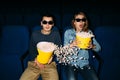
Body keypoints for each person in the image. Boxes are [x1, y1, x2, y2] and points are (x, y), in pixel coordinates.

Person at [20, 13, 61, 80]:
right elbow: (31, 49)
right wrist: (36, 60)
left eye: (50, 22)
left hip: (49, 64)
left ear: (53, 24)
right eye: (45, 22)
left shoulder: (56, 34)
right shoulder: (35, 34)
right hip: (35, 63)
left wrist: (52, 56)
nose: (47, 25)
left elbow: (58, 49)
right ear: (41, 23)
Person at [63, 11, 101, 80]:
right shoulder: (68, 32)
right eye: (78, 20)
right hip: (71, 63)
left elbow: (98, 48)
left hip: (84, 64)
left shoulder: (89, 32)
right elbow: (63, 51)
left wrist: (92, 46)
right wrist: (71, 45)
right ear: (74, 22)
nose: (81, 22)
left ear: (85, 22)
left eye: (83, 20)